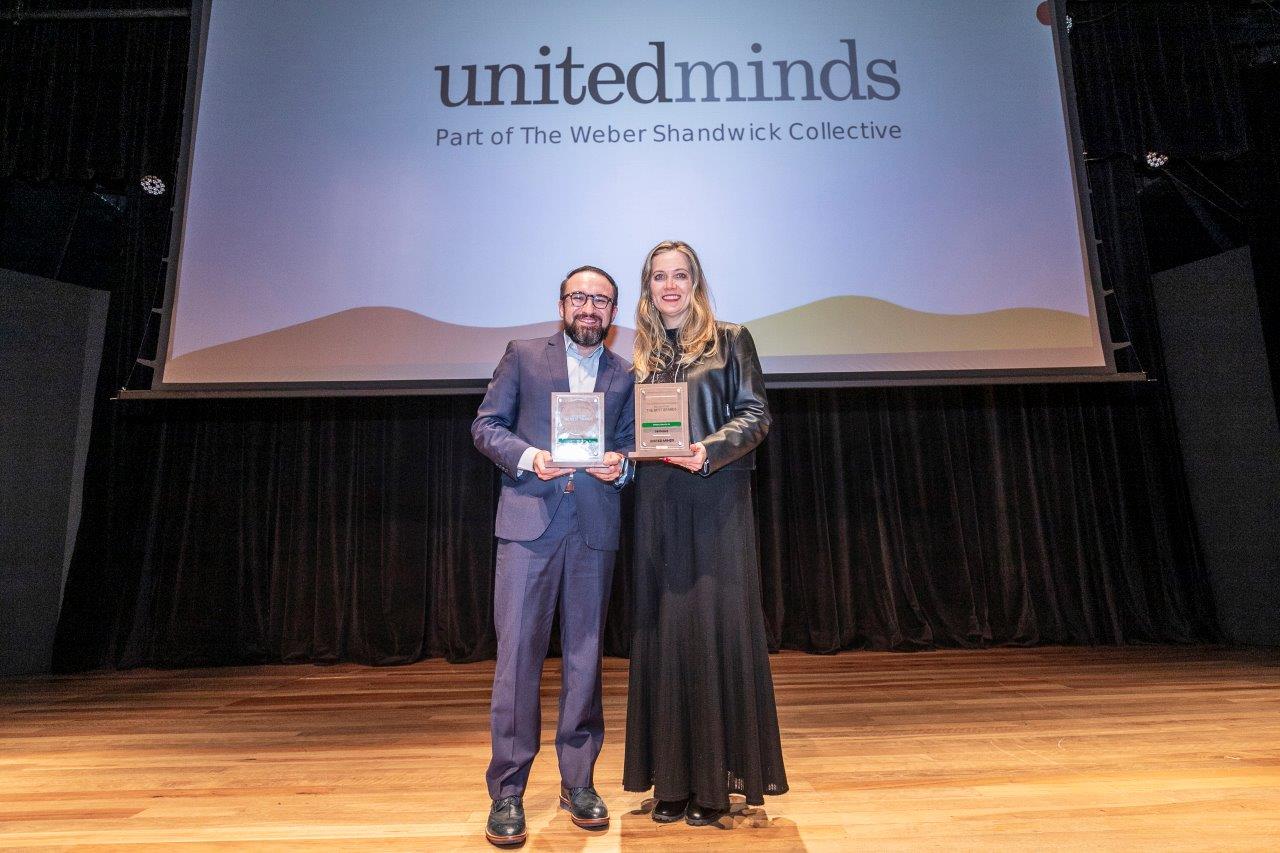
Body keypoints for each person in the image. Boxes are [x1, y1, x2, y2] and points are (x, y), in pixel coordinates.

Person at [623, 240, 788, 826]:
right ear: (648, 288)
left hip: (716, 498)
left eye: (680, 275)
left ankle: (715, 786)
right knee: (666, 633)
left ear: (696, 283)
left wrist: (707, 450)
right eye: (659, 277)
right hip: (658, 504)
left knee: (715, 629)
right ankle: (671, 782)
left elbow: (756, 415)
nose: (670, 286)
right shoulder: (639, 358)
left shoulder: (731, 339)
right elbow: (626, 431)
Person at [472, 265, 635, 847]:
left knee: (586, 657)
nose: (590, 308)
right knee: (518, 658)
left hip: (593, 527)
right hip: (528, 526)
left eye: (601, 300)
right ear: (562, 305)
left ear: (613, 312)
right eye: (580, 298)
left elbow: (630, 446)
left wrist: (621, 466)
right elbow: (486, 426)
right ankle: (507, 791)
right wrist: (530, 458)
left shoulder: (626, 373)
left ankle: (578, 782)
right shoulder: (522, 356)